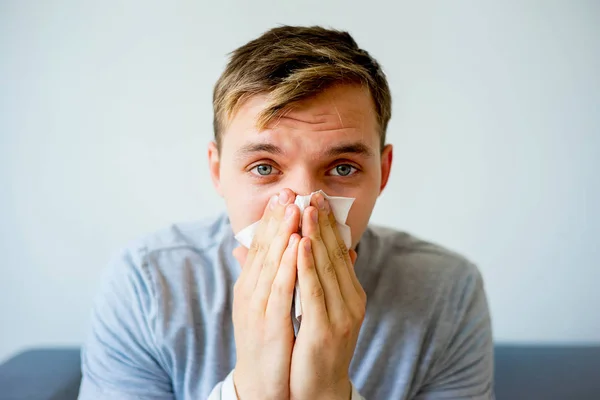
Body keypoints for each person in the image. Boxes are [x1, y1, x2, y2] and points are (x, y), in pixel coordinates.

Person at [78, 25, 494, 400]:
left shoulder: (447, 293)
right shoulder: (146, 286)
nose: (303, 204)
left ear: (382, 173)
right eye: (264, 168)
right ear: (218, 171)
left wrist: (329, 391)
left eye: (343, 168)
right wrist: (254, 387)